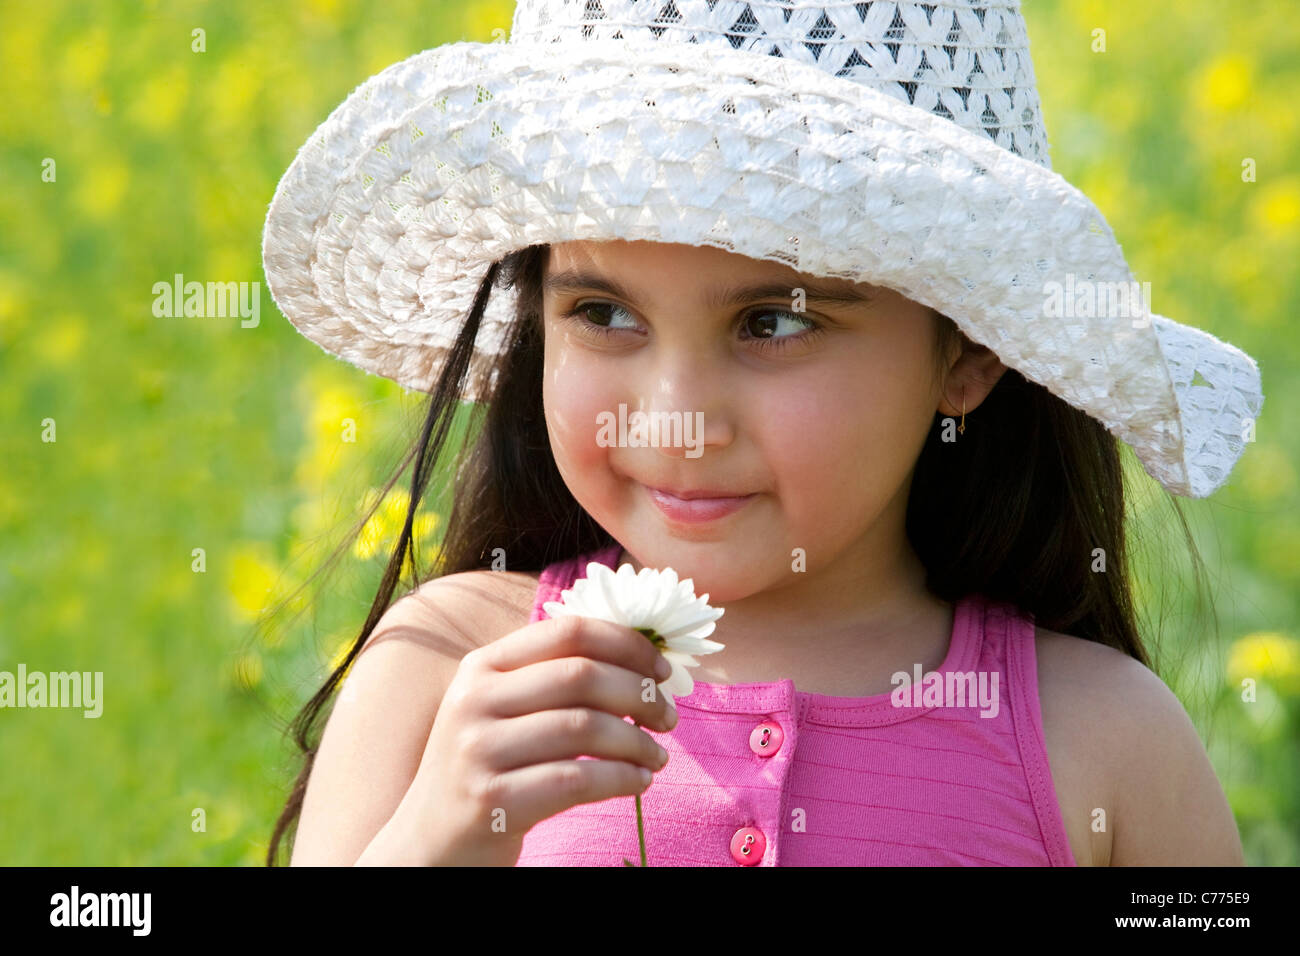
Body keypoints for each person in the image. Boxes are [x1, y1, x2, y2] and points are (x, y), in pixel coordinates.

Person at [260, 0, 1262, 867]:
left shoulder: (1102, 738)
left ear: (967, 350)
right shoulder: (447, 669)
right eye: (604, 313)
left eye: (774, 322)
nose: (676, 417)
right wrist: (432, 837)